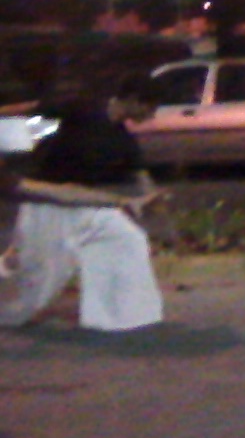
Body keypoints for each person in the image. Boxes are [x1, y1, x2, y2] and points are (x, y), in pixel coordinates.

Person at [0, 75, 166, 331]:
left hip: (86, 204)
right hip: (46, 203)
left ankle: (121, 315)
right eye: (150, 108)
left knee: (127, 239)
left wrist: (153, 199)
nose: (152, 116)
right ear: (134, 100)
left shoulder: (124, 141)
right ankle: (10, 307)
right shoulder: (83, 109)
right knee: (40, 279)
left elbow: (140, 175)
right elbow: (31, 110)